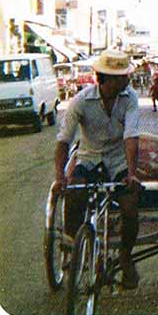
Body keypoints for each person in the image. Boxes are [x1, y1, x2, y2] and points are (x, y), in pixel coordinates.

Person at [53, 49, 142, 290]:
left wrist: (132, 173)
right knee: (73, 199)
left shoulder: (130, 98)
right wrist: (60, 176)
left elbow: (131, 137)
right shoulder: (81, 101)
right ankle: (80, 248)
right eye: (122, 76)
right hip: (88, 159)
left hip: (118, 161)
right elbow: (64, 141)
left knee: (130, 206)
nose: (127, 80)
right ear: (106, 78)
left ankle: (125, 256)